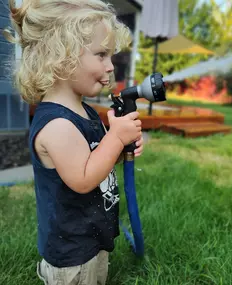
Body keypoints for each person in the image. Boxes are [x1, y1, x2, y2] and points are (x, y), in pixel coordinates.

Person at [4, 0, 144, 284]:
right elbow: (82, 178)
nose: (110, 66)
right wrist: (115, 138)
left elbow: (92, 158)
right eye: (101, 54)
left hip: (90, 236)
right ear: (61, 56)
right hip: (72, 254)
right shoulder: (58, 125)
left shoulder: (83, 110)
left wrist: (117, 150)